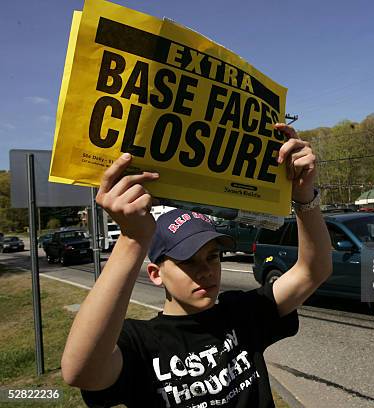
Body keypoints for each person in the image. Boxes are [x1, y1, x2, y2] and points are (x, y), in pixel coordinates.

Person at [61, 124, 332, 407]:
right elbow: (81, 371)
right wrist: (132, 239)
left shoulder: (241, 313)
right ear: (155, 274)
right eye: (187, 261)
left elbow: (313, 271)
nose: (205, 270)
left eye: (212, 256)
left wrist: (304, 196)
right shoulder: (141, 342)